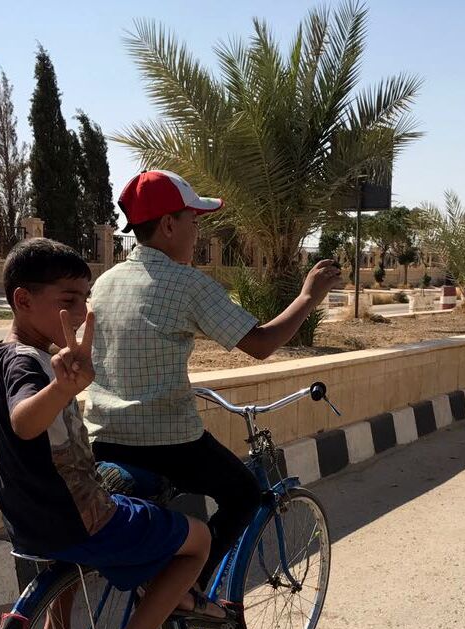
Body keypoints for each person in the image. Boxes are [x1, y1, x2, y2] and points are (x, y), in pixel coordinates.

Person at [0, 238, 229, 629]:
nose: (81, 312)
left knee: (132, 481)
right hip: (77, 518)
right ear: (23, 300)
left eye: (85, 298)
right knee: (197, 540)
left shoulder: (2, 354)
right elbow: (25, 421)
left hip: (31, 519)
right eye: (68, 300)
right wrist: (63, 388)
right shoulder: (27, 365)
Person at [84, 170, 343, 588]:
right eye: (193, 220)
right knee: (244, 494)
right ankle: (186, 592)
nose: (197, 232)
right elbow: (261, 344)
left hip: (103, 438)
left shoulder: (105, 282)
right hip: (168, 444)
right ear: (169, 225)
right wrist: (307, 297)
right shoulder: (187, 284)